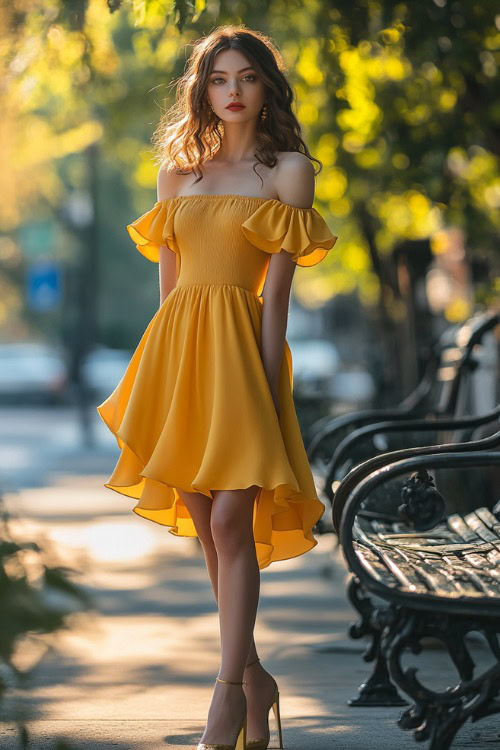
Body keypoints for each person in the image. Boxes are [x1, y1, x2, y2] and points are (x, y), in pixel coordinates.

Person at [97, 24, 338, 750]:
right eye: (218, 80)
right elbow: (169, 296)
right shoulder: (178, 173)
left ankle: (228, 696)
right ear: (202, 91)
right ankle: (257, 678)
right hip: (178, 358)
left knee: (233, 524)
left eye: (247, 78)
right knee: (209, 528)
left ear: (267, 88)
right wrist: (160, 386)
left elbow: (278, 302)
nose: (232, 92)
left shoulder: (288, 173)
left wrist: (269, 391)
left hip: (243, 358)